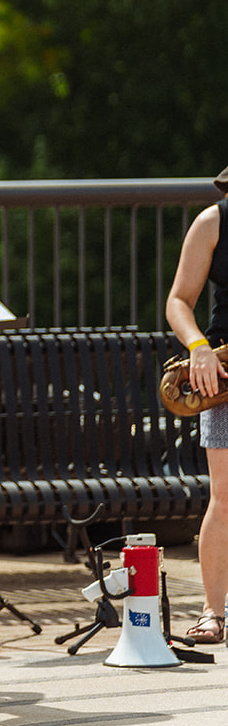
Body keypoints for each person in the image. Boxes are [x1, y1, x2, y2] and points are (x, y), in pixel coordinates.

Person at [163, 165, 228, 646]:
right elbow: (179, 301)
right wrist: (198, 346)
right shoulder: (212, 223)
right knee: (225, 499)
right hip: (223, 374)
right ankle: (214, 612)